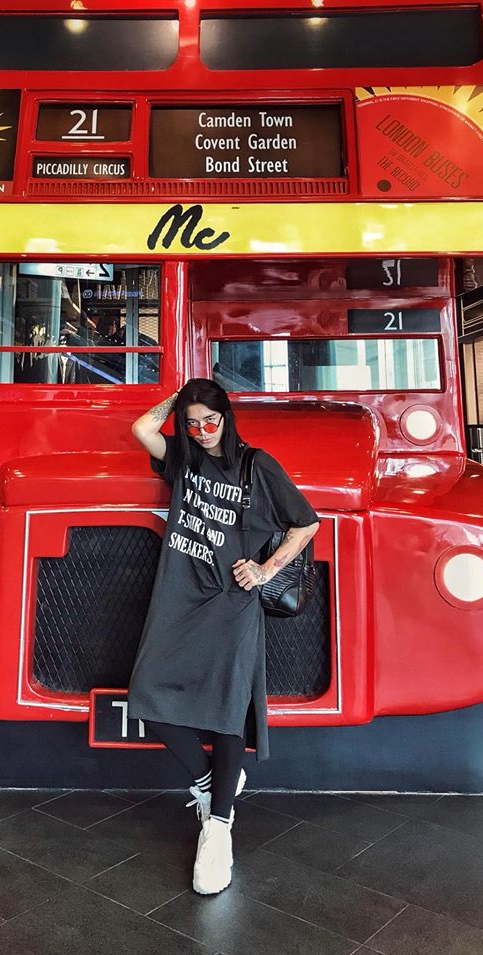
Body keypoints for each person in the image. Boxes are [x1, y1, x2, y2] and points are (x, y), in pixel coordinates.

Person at [127, 378, 320, 895]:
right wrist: (182, 394)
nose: (202, 431)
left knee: (227, 707)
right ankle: (213, 783)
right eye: (192, 424)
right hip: (180, 595)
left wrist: (264, 569)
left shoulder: (258, 465)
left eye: (210, 421)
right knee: (147, 694)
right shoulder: (184, 460)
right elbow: (142, 428)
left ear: (227, 417)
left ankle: (218, 827)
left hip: (232, 601)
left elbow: (306, 524)